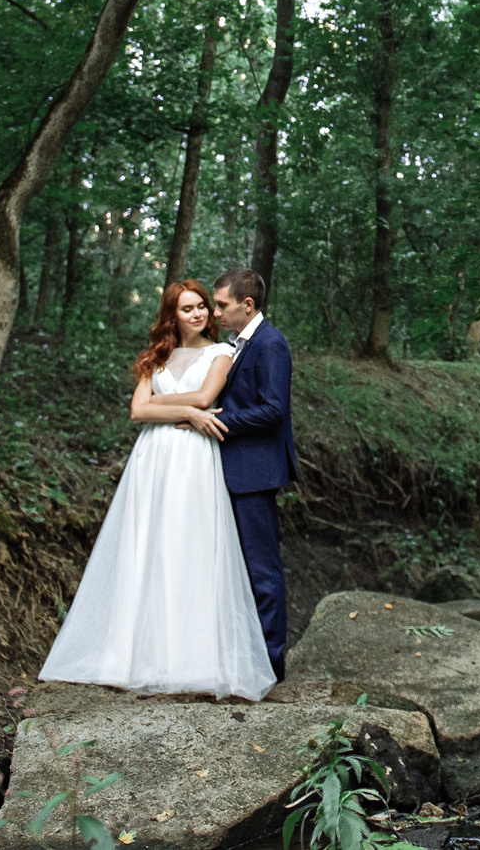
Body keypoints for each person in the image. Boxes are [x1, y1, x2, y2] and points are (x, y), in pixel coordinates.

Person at [37, 279, 275, 700]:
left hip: (193, 456)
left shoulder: (222, 353)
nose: (198, 314)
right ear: (172, 316)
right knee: (145, 544)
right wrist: (185, 410)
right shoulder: (157, 356)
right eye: (187, 309)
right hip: (152, 457)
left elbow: (204, 397)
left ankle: (189, 658)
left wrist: (172, 408)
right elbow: (137, 410)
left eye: (202, 306)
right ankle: (131, 655)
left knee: (187, 544)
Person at [185, 266, 294, 680]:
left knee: (261, 569)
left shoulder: (270, 343)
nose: (215, 313)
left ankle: (270, 664)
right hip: (232, 470)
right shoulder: (238, 344)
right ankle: (242, 656)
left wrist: (218, 420)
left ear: (248, 305)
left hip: (255, 472)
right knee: (236, 567)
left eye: (221, 305)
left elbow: (273, 410)